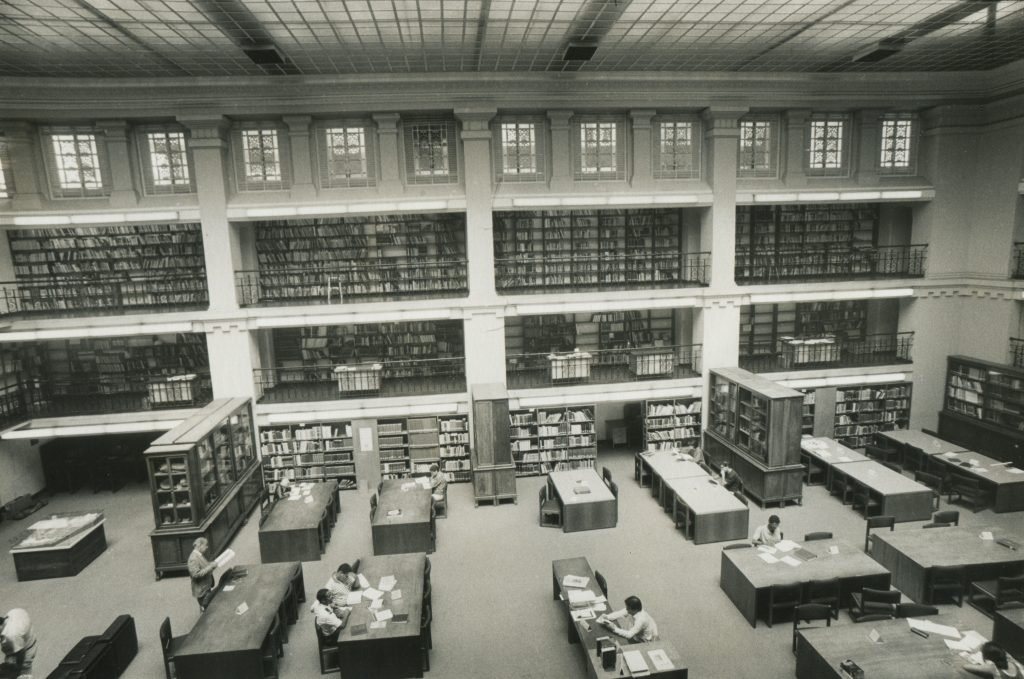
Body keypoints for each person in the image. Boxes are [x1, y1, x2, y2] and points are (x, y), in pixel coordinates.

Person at [0, 608, 35, 679]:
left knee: (23, 675)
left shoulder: (10, 636)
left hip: (24, 654)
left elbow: (21, 653)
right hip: (29, 639)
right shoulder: (13, 612)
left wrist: (17, 672)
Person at [187, 537, 218, 612]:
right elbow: (196, 574)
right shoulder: (193, 559)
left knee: (209, 606)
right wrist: (210, 566)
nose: (207, 547)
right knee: (206, 609)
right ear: (199, 545)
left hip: (206, 586)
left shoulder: (199, 554)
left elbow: (203, 566)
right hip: (202, 590)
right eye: (205, 545)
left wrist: (211, 564)